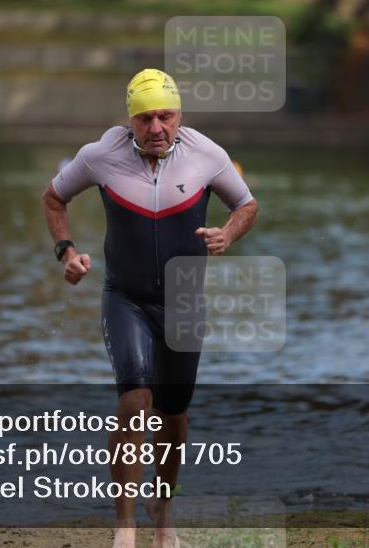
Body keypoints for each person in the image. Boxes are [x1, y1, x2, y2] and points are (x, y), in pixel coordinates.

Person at [41, 69, 259, 548]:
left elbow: (246, 205)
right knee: (135, 400)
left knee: (173, 413)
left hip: (184, 303)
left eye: (166, 115)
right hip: (126, 298)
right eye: (145, 118)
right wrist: (67, 252)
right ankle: (125, 526)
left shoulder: (207, 154)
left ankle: (164, 511)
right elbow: (55, 198)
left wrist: (228, 233)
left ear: (180, 115)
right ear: (130, 119)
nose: (157, 127)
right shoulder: (100, 155)